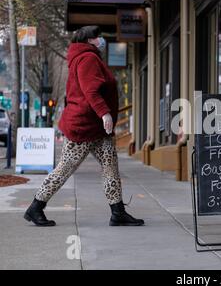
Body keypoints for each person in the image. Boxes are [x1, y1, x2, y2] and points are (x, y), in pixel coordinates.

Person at [24, 26, 144, 227]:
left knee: (110, 166)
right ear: (89, 40)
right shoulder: (88, 59)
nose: (101, 40)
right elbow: (91, 91)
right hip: (83, 127)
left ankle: (118, 212)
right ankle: (35, 207)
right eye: (98, 37)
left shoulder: (86, 57)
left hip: (95, 127)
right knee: (65, 168)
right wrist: (105, 113)